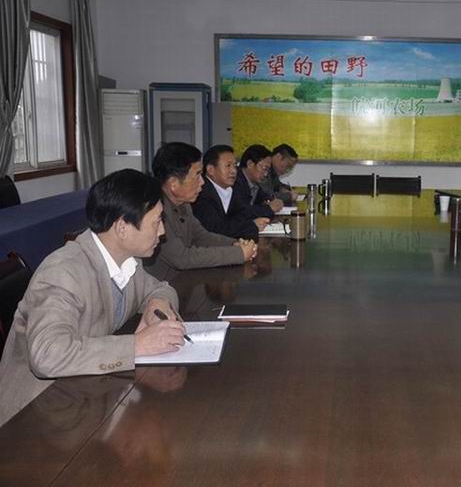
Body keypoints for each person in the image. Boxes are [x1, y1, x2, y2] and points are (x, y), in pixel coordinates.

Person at [0, 169, 186, 427]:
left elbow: (160, 288)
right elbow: (47, 355)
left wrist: (157, 304)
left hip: (86, 393)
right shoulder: (63, 272)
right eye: (156, 222)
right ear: (122, 227)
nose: (163, 231)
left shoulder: (126, 260)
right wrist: (137, 345)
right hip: (37, 417)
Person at [148, 142, 256, 279]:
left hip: (182, 281)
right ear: (173, 183)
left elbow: (200, 236)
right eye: (197, 175)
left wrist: (234, 244)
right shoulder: (154, 210)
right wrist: (238, 254)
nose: (202, 182)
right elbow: (182, 258)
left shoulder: (183, 203)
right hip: (161, 287)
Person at [192, 144, 271, 241]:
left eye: (235, 165)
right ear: (211, 170)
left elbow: (243, 214)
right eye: (228, 166)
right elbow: (215, 230)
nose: (234, 171)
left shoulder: (230, 189)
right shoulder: (201, 193)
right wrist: (251, 225)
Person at [234, 144, 284, 217]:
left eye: (268, 170)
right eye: (264, 168)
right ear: (250, 164)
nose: (266, 174)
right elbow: (242, 212)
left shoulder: (254, 183)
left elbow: (264, 198)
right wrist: (269, 208)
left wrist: (272, 201)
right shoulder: (235, 182)